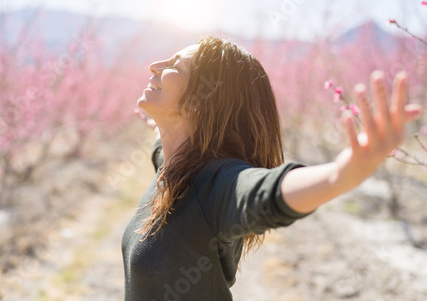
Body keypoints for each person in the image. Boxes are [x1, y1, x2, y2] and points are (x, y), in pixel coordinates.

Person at [121, 36, 422, 300]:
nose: (155, 66)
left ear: (201, 101)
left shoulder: (216, 184)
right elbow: (165, 149)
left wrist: (341, 173)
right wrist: (163, 128)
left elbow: (268, 192)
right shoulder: (172, 165)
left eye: (176, 65)